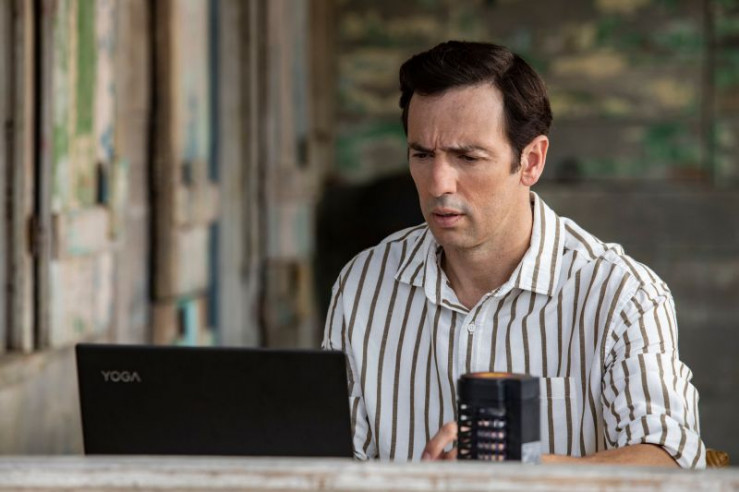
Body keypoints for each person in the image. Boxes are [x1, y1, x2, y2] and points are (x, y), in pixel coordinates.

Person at [322, 40, 704, 468]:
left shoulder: (622, 295)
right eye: (422, 155)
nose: (439, 183)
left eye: (468, 157)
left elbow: (669, 459)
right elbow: (332, 465)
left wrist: (524, 471)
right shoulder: (362, 286)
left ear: (532, 161)